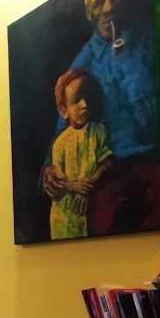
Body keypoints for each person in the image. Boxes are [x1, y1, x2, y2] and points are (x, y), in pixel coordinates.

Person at [41, 0, 160, 235]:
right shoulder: (82, 64)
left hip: (155, 166)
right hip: (110, 177)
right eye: (99, 1)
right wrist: (50, 169)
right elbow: (63, 129)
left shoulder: (150, 38)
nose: (109, 7)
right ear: (89, 10)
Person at [47, 69, 113, 240]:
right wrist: (75, 186)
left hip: (91, 206)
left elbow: (107, 162)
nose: (85, 104)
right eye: (77, 100)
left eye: (87, 98)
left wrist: (87, 186)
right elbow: (58, 182)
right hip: (65, 212)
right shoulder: (60, 143)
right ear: (63, 110)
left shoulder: (99, 131)